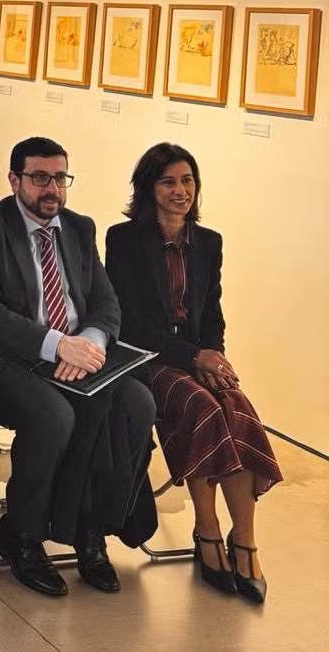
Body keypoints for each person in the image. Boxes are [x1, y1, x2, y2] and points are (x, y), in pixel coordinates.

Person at [0, 137, 155, 598]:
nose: (52, 189)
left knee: (138, 404)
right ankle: (22, 533)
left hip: (75, 353)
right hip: (4, 356)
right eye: (39, 177)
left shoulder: (80, 228)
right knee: (54, 415)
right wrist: (58, 345)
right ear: (14, 180)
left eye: (60, 178)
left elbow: (106, 304)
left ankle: (92, 528)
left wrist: (89, 341)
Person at [106, 143, 280, 603]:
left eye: (187, 181)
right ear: (148, 188)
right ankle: (206, 531)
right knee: (202, 410)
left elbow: (212, 312)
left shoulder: (209, 242)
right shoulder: (123, 240)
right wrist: (192, 358)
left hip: (196, 356)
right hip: (148, 361)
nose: (180, 191)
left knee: (238, 408)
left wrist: (214, 357)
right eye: (168, 182)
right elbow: (128, 323)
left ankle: (244, 541)